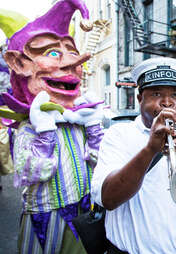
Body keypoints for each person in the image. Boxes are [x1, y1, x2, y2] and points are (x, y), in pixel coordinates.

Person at [2, 0, 104, 253]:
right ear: (20, 64)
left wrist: (93, 129)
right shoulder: (28, 129)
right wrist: (45, 133)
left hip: (84, 215)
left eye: (71, 52)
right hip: (46, 220)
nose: (72, 63)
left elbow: (101, 164)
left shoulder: (79, 124)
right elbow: (31, 173)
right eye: (52, 54)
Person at [91, 57, 176, 254]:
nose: (167, 103)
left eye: (175, 95)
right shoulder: (118, 135)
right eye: (156, 94)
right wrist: (150, 150)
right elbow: (108, 199)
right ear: (139, 99)